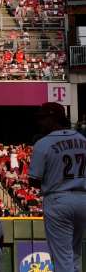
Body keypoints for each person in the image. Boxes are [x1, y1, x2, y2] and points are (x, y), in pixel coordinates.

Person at [30, 102, 86, 272]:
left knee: (62, 259)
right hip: (83, 199)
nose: (40, 123)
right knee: (74, 255)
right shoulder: (83, 140)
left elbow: (34, 180)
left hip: (59, 199)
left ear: (53, 119)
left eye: (43, 118)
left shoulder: (44, 143)